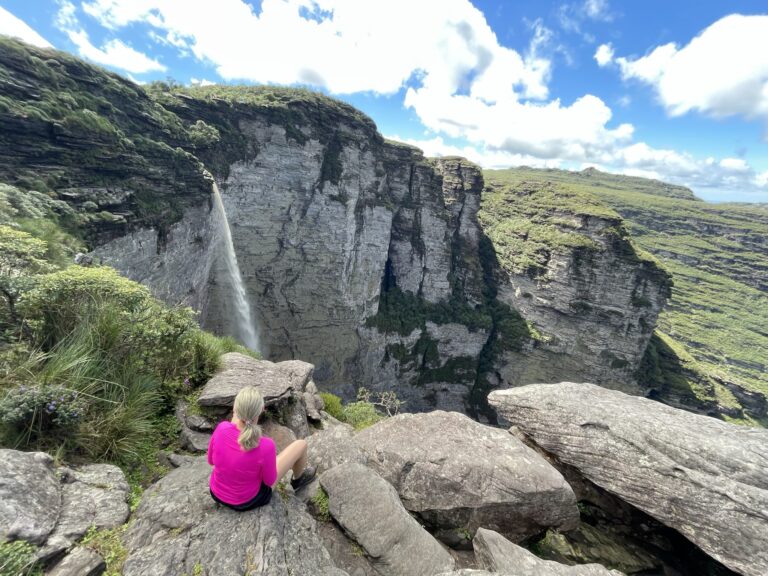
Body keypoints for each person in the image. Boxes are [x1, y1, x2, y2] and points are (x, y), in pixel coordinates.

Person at [207, 385, 316, 511]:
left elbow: (211, 461)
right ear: (262, 410)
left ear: (235, 409)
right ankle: (298, 480)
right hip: (247, 501)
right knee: (301, 444)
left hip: (216, 494)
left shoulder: (221, 429)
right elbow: (269, 481)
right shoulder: (266, 445)